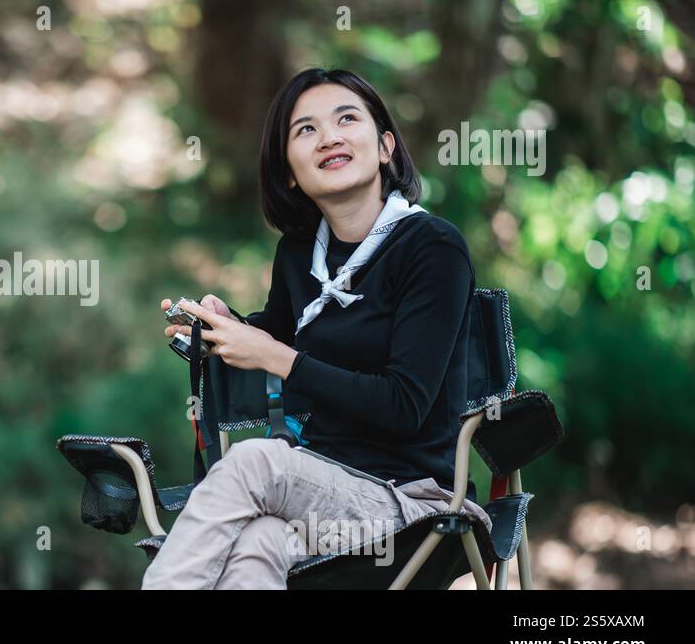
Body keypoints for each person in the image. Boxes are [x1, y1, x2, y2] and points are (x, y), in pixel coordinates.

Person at [142, 68, 493, 590]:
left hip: (412, 503)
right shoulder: (300, 254)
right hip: (317, 492)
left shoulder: (432, 249)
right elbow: (279, 335)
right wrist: (222, 328)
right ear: (288, 173)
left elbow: (404, 406)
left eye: (347, 119)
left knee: (254, 461)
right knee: (257, 542)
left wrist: (271, 354)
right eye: (305, 130)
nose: (329, 136)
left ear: (385, 148)